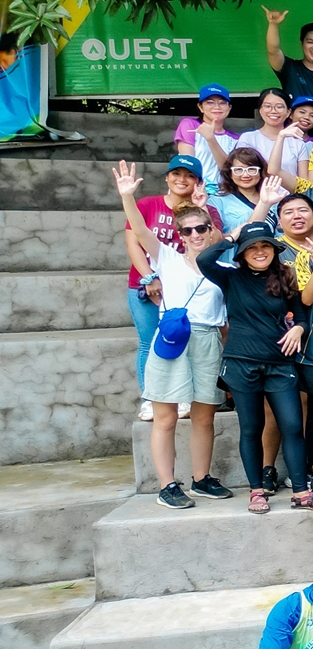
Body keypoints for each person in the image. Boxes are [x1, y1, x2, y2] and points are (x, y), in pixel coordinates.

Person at [113, 164, 229, 507]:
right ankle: (167, 484)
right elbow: (138, 229)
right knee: (164, 416)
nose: (195, 235)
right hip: (175, 339)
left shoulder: (222, 268)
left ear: (211, 230)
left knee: (204, 415)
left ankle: (201, 478)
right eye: (188, 230)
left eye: (201, 228)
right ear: (179, 235)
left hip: (208, 339)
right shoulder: (167, 258)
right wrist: (127, 197)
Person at [199, 222, 310, 514]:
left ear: (274, 250)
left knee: (292, 425)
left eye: (265, 246)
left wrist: (298, 328)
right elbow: (203, 259)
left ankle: (300, 491)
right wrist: (233, 237)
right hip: (241, 363)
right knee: (251, 427)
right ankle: (257, 491)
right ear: (242, 253)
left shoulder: (285, 277)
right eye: (252, 247)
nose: (260, 252)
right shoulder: (230, 277)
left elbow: (301, 316)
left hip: (279, 363)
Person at [126, 152, 223, 416]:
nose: (182, 179)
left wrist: (202, 207)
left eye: (190, 176)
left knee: (186, 340)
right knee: (151, 341)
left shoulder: (207, 211)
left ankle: (183, 395)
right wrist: (149, 277)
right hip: (145, 284)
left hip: (188, 283)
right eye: (177, 174)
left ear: (199, 182)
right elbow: (135, 238)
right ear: (167, 177)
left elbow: (216, 241)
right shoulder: (148, 204)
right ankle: (150, 398)